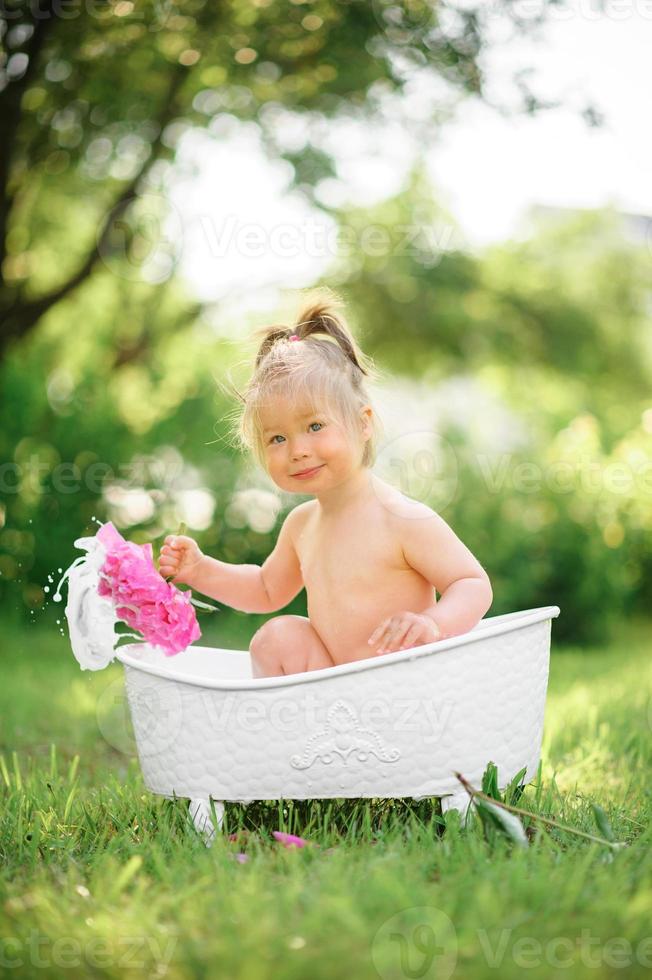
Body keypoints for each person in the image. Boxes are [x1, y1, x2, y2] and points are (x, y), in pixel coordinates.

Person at [158, 287, 492, 678]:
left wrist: (434, 623)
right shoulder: (302, 525)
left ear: (363, 423)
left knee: (290, 639)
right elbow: (266, 589)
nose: (297, 450)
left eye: (315, 426)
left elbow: (471, 583)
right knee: (276, 637)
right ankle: (297, 735)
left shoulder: (400, 519)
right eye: (277, 438)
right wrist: (201, 570)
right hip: (336, 697)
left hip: (405, 684)